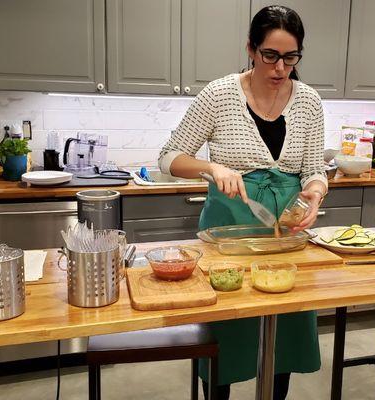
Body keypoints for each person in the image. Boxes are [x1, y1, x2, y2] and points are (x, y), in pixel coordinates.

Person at [158, 5, 327, 399]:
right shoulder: (219, 95)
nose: (280, 68)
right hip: (227, 235)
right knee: (227, 332)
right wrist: (212, 167)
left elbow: (314, 169)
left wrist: (316, 192)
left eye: (290, 57)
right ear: (251, 49)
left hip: (284, 234)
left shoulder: (309, 101)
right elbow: (169, 158)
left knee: (283, 332)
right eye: (270, 55)